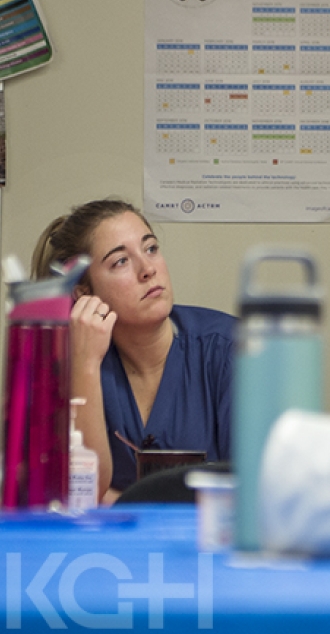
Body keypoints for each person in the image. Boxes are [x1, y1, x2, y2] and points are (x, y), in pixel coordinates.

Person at [32, 199, 235, 501]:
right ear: (84, 293)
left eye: (150, 248)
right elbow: (76, 496)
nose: (148, 269)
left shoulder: (230, 349)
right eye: (121, 261)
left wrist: (117, 500)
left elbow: (257, 491)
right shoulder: (67, 363)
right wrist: (86, 364)